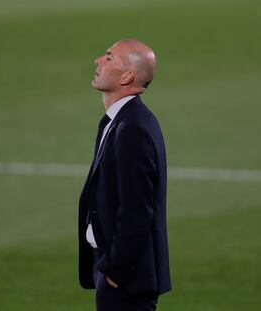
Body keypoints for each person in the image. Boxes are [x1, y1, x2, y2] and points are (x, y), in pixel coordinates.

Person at [78, 39, 171, 311]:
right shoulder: (118, 121)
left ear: (127, 76)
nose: (98, 60)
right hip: (114, 268)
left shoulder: (133, 128)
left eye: (108, 57)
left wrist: (115, 268)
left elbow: (137, 211)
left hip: (125, 277)